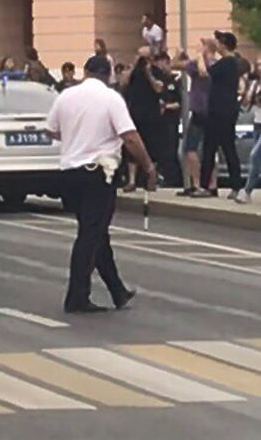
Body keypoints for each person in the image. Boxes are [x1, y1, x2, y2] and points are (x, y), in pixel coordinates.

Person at [47, 56, 156, 313]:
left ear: (85, 72)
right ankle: (77, 296)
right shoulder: (111, 98)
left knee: (96, 232)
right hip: (97, 173)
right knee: (90, 235)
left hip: (69, 173)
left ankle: (117, 291)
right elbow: (130, 137)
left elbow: (51, 130)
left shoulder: (66, 96)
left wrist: (74, 136)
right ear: (108, 75)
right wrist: (148, 166)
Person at [195, 31, 243, 199]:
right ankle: (232, 186)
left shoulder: (227, 62)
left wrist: (201, 54)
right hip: (224, 110)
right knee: (220, 148)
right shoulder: (230, 63)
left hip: (220, 112)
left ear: (224, 44)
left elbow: (204, 72)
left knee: (216, 148)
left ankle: (207, 186)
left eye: (219, 41)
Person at [174, 44, 216, 196]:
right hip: (207, 111)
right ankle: (210, 184)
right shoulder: (207, 66)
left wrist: (198, 56)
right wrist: (180, 54)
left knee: (190, 148)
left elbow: (203, 72)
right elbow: (176, 65)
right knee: (207, 149)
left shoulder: (205, 67)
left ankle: (198, 184)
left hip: (201, 110)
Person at [124, 48, 163, 192]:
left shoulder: (156, 71)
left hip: (151, 114)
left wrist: (149, 72)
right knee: (132, 147)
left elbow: (158, 88)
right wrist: (133, 66)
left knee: (152, 146)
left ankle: (152, 178)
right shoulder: (133, 72)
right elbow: (124, 83)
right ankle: (132, 181)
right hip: (135, 113)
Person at [154, 52, 182, 187]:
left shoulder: (175, 81)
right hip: (160, 122)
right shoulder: (159, 81)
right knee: (162, 151)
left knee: (171, 150)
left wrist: (166, 106)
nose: (160, 66)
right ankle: (163, 176)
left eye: (161, 63)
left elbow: (180, 103)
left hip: (171, 121)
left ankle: (173, 179)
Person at [235, 58, 261, 204]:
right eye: (258, 65)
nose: (260, 68)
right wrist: (248, 92)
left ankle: (247, 190)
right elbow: (246, 104)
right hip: (257, 123)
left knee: (255, 156)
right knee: (257, 161)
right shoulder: (255, 84)